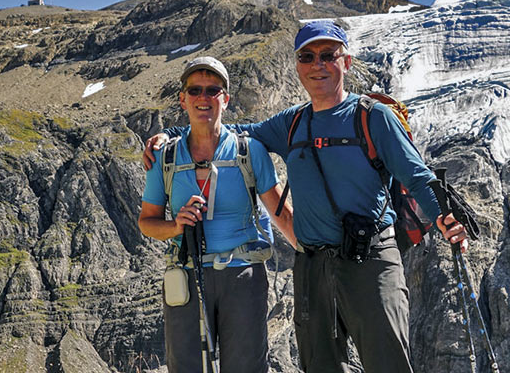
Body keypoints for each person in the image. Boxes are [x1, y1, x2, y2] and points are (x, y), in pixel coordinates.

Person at [143, 22, 469, 372]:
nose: (318, 64)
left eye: (328, 55)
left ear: (346, 61)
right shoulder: (291, 123)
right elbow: (224, 129)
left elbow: (417, 177)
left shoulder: (373, 117)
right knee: (320, 365)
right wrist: (169, 133)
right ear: (297, 65)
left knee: (387, 363)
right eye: (307, 56)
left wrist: (446, 218)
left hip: (371, 262)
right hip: (312, 268)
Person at [137, 56, 296, 373]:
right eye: (194, 90)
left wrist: (317, 253)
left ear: (226, 97)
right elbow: (147, 222)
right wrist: (176, 225)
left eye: (213, 90)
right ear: (182, 99)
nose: (203, 98)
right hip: (185, 273)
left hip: (243, 276)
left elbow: (281, 214)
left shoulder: (249, 151)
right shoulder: (164, 157)